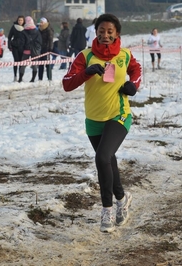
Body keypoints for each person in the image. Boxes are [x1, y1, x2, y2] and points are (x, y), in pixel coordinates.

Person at [62, 14, 142, 233]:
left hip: (119, 114)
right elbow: (67, 84)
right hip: (93, 118)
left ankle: (107, 209)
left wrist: (132, 85)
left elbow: (136, 71)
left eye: (110, 31)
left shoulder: (125, 55)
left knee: (102, 157)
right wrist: (86, 73)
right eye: (101, 30)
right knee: (108, 160)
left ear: (117, 34)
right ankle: (123, 198)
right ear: (95, 31)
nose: (105, 35)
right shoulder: (85, 56)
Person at [18, 16, 42, 83]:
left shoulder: (23, 32)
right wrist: (37, 48)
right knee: (34, 65)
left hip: (26, 50)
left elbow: (21, 42)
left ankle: (20, 78)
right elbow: (40, 41)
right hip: (35, 51)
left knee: (23, 65)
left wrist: (22, 49)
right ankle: (33, 79)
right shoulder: (37, 31)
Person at [7, 15, 25, 82]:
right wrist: (9, 45)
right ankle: (15, 76)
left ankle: (21, 76)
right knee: (16, 61)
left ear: (23, 21)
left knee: (21, 61)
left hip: (22, 47)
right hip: (15, 46)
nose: (20, 21)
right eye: (19, 20)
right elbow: (9, 37)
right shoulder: (14, 27)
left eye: (21, 20)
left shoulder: (25, 28)